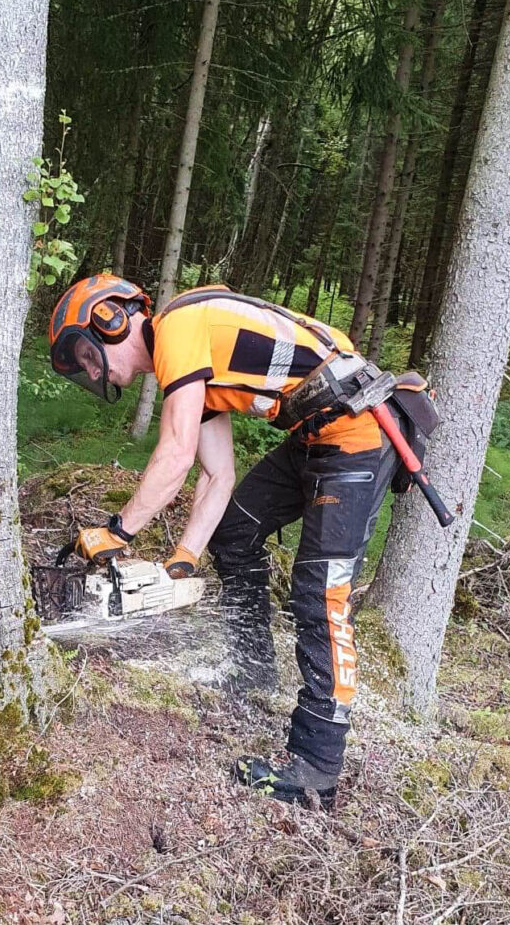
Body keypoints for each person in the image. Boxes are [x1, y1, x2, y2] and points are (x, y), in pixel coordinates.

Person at [47, 273, 408, 811]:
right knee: (236, 528)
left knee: (320, 593)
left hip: (356, 434)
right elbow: (216, 478)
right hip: (316, 434)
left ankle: (317, 763)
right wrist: (184, 559)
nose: (96, 372)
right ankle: (253, 661)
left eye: (89, 357)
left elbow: (175, 453)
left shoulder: (179, 327)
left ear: (113, 319)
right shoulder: (193, 368)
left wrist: (117, 531)